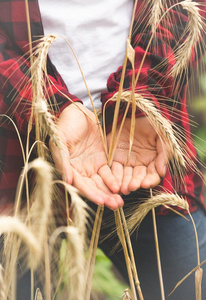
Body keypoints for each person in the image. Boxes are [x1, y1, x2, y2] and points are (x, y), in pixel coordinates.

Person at [0, 0, 206, 299]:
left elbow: (185, 8)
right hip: (14, 154)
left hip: (141, 143)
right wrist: (51, 106)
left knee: (190, 286)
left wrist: (142, 96)